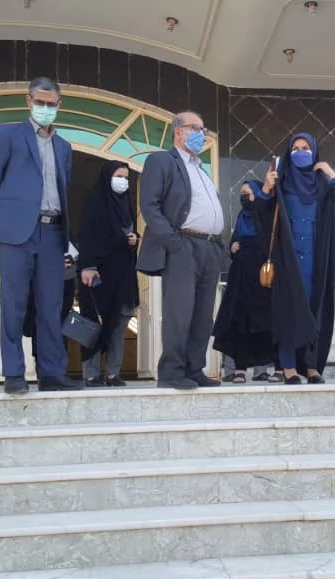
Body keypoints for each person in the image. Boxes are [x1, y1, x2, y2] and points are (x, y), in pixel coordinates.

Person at [0, 76, 81, 394]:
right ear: (28, 101)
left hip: (53, 233)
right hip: (17, 233)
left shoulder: (64, 147)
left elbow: (65, 189)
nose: (45, 108)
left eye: (51, 104)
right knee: (14, 304)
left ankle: (51, 372)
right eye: (40, 102)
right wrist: (13, 212)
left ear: (60, 105)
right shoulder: (7, 134)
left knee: (52, 306)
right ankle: (13, 373)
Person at [250, 133, 335, 385]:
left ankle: (311, 366)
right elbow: (261, 213)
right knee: (288, 311)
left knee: (314, 310)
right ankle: (289, 367)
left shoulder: (322, 184)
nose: (301, 152)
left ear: (314, 152)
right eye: (295, 148)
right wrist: (266, 188)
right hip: (288, 257)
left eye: (306, 148)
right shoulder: (281, 181)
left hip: (315, 258)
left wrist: (331, 173)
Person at [136, 111, 225, 390]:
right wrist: (173, 241)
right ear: (178, 132)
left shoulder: (201, 168)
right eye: (195, 128)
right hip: (183, 244)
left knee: (203, 315)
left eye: (203, 128)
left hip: (209, 247)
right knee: (180, 312)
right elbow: (149, 205)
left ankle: (193, 368)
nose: (202, 134)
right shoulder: (162, 161)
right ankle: (172, 372)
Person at [78, 160, 139, 387]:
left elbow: (129, 233)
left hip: (122, 272)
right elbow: (86, 236)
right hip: (98, 273)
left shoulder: (126, 204)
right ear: (107, 178)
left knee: (119, 321)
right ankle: (91, 374)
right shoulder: (94, 203)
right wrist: (88, 266)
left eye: (126, 178)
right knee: (92, 322)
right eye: (118, 176)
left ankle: (113, 373)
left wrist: (134, 239)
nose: (123, 182)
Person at [212, 180, 280, 384]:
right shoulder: (242, 216)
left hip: (261, 278)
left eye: (248, 193)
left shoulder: (266, 214)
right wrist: (233, 247)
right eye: (242, 193)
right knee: (240, 321)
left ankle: (262, 369)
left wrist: (248, 245)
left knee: (262, 322)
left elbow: (269, 242)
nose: (244, 197)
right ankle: (238, 370)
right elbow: (235, 241)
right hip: (240, 278)